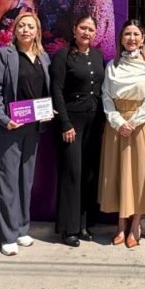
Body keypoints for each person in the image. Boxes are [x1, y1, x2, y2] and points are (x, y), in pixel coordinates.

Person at [0, 11, 52, 256]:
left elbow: (45, 92)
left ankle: (22, 228)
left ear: (37, 31)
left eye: (30, 26)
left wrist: (48, 111)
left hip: (33, 128)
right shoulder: (5, 54)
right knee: (7, 181)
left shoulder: (44, 57)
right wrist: (4, 119)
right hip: (10, 128)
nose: (26, 30)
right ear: (14, 30)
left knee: (26, 180)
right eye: (21, 26)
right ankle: (7, 235)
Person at [99, 19, 145, 247]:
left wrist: (133, 122)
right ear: (121, 39)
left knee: (139, 173)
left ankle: (135, 224)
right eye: (127, 34)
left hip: (141, 124)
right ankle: (120, 224)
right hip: (117, 124)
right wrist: (118, 121)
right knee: (118, 172)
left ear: (143, 39)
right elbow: (106, 95)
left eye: (136, 34)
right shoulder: (112, 65)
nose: (132, 38)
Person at [50, 15, 105, 247]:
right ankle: (68, 228)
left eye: (91, 29)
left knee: (89, 174)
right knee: (72, 173)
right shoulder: (63, 55)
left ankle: (84, 224)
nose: (86, 32)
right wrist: (65, 124)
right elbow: (56, 90)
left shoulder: (98, 56)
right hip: (72, 123)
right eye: (83, 28)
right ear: (74, 29)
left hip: (95, 122)